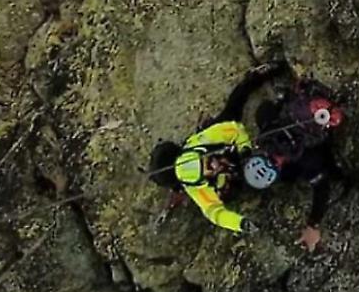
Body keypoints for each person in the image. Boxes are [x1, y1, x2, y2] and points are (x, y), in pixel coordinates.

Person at [148, 63, 286, 233]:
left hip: (224, 145)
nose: (213, 167)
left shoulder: (202, 140)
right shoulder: (198, 190)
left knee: (236, 102)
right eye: (207, 171)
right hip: (232, 172)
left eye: (207, 161)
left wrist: (245, 150)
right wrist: (240, 223)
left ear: (200, 153)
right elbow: (215, 213)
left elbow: (235, 129)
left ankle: (257, 77)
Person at [242, 76, 346, 251]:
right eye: (274, 162)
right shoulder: (268, 126)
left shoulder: (299, 160)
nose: (277, 154)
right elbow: (321, 187)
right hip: (320, 117)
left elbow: (322, 185)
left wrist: (313, 224)